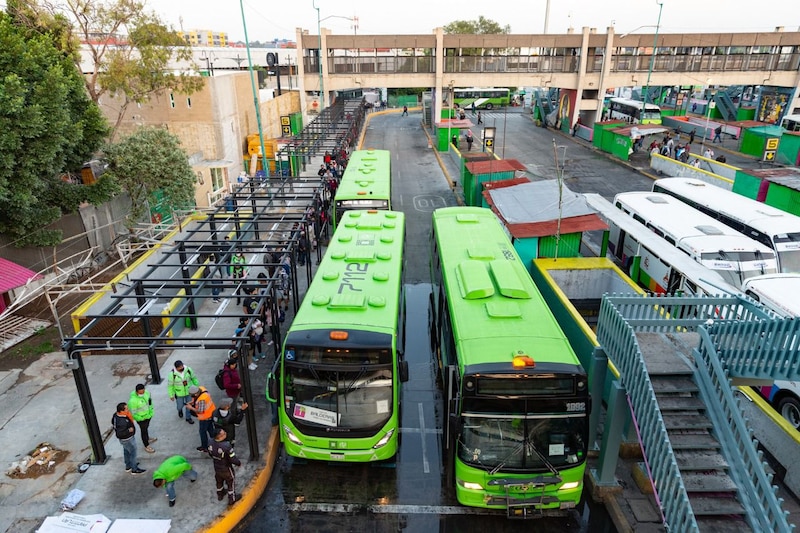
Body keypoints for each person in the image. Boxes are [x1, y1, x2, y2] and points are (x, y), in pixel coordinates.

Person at [208, 427, 242, 506]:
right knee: (231, 481)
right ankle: (232, 499)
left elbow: (210, 453)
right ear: (219, 436)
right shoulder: (226, 446)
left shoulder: (210, 441)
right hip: (226, 468)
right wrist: (238, 463)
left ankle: (220, 494)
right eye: (224, 434)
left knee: (219, 481)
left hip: (216, 467)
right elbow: (232, 458)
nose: (226, 434)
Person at [112, 402, 145, 475]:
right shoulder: (122, 421)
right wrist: (128, 430)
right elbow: (119, 433)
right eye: (126, 409)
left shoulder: (116, 416)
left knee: (126, 451)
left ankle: (128, 466)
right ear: (121, 411)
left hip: (124, 440)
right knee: (133, 453)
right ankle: (134, 469)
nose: (128, 410)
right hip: (128, 439)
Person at [186, 385, 216, 453]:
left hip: (205, 417)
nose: (191, 397)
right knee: (210, 429)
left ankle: (204, 447)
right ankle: (215, 442)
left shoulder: (202, 399)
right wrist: (192, 402)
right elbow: (196, 400)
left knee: (202, 432)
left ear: (196, 394)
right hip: (211, 413)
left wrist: (190, 408)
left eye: (192, 395)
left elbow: (200, 411)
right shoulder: (202, 389)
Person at [167, 360, 198, 424]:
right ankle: (180, 410)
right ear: (176, 368)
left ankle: (188, 418)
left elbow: (194, 378)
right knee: (180, 406)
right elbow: (170, 386)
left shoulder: (188, 370)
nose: (181, 368)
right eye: (179, 367)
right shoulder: (172, 374)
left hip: (189, 392)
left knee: (189, 405)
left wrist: (197, 387)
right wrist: (171, 395)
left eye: (182, 366)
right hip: (179, 393)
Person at [128, 384, 156, 453]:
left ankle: (147, 438)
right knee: (143, 431)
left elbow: (150, 403)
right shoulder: (133, 401)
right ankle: (146, 445)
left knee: (146, 428)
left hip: (148, 416)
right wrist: (140, 418)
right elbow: (133, 413)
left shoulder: (146, 393)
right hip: (141, 419)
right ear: (137, 392)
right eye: (140, 392)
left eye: (143, 391)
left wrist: (151, 413)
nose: (142, 393)